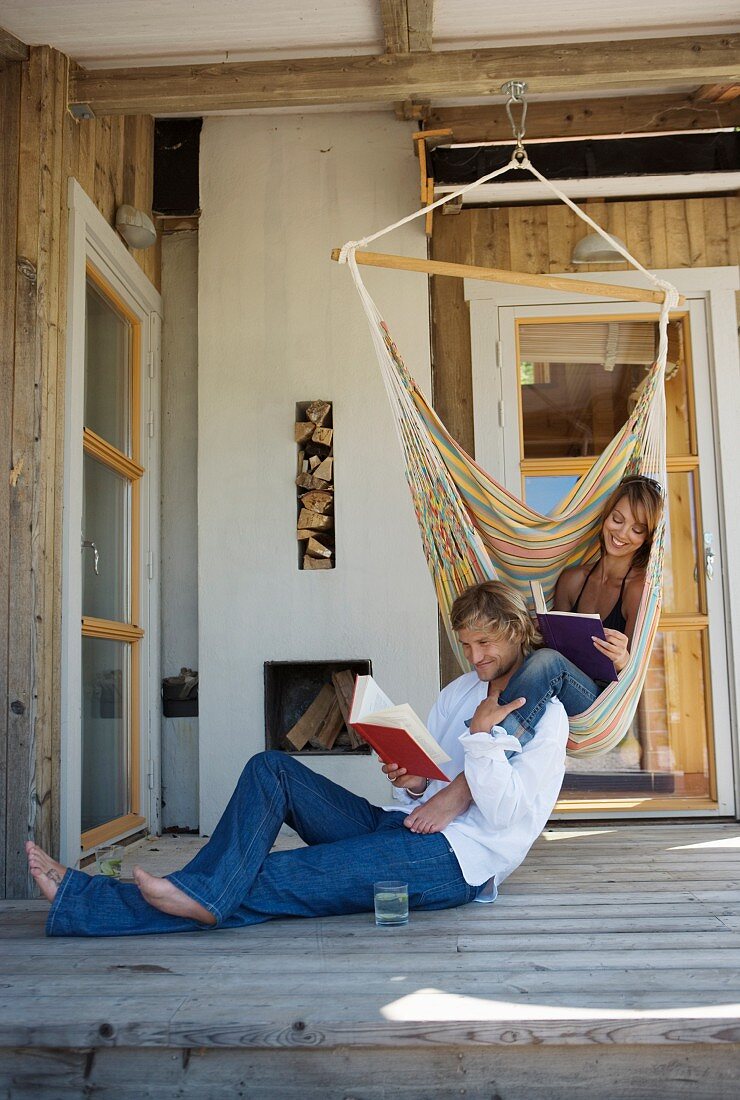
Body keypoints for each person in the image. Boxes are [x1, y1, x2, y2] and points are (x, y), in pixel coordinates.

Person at [26, 582, 568, 937]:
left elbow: (506, 818)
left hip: (457, 864)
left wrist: (482, 736)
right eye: (466, 645)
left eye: (485, 645)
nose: (474, 658)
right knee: (271, 769)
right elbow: (432, 789)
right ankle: (203, 893)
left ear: (517, 633)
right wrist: (409, 781)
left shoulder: (549, 718)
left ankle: (87, 901)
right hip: (403, 826)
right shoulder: (458, 693)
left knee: (281, 876)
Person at [402, 475, 663, 836]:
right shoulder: (574, 578)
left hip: (599, 697)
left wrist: (623, 658)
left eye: (637, 529)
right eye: (617, 519)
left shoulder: (638, 588)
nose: (622, 534)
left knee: (544, 664)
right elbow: (552, 646)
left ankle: (465, 784)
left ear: (648, 538)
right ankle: (483, 761)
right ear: (605, 517)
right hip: (553, 679)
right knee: (536, 659)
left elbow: (629, 668)